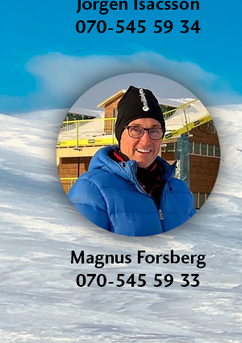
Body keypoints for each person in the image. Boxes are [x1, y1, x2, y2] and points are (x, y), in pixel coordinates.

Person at [69, 86, 197, 235]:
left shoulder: (180, 191)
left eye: (154, 130)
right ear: (120, 134)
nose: (145, 141)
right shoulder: (91, 189)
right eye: (136, 129)